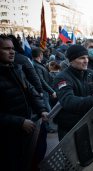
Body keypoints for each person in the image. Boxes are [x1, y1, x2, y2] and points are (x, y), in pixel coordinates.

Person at [0, 35, 48, 171]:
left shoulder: (16, 69)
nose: (12, 52)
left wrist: (42, 109)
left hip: (24, 132)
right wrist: (19, 122)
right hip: (7, 138)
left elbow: (31, 92)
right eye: (6, 49)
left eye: (13, 48)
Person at [53, 44, 93, 140]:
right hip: (70, 127)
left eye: (87, 57)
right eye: (81, 58)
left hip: (88, 123)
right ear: (71, 60)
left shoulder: (91, 74)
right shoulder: (62, 77)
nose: (86, 61)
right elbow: (68, 101)